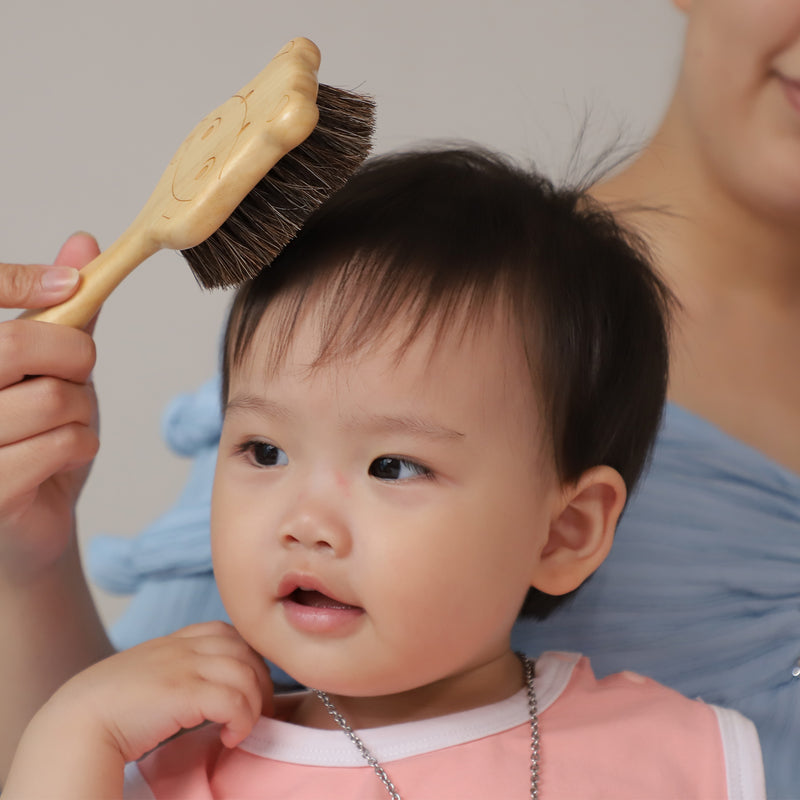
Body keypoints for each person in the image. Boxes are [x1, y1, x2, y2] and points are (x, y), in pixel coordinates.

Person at [2, 148, 764, 799]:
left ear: (564, 530)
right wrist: (75, 733)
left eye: (392, 466)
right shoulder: (178, 764)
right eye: (265, 452)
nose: (305, 522)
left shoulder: (676, 756)